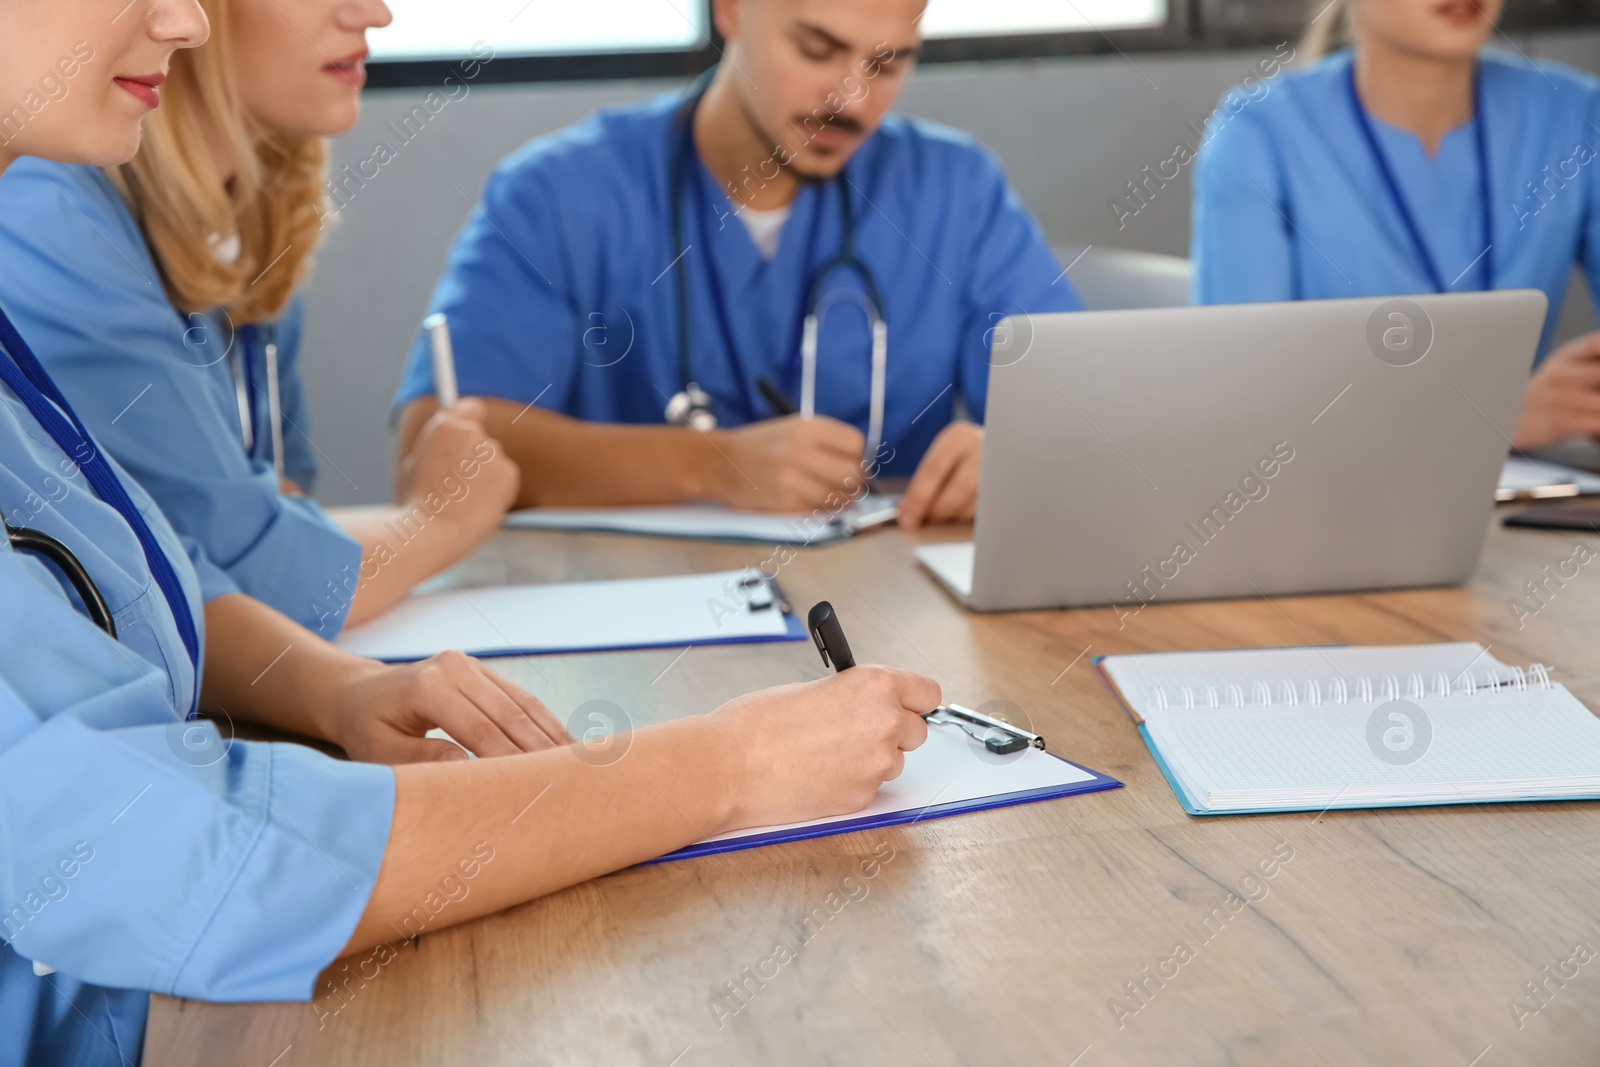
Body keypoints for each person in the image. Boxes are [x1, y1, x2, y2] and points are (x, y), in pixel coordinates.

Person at [0, 6, 936, 1062]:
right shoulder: (53, 218)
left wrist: (340, 690)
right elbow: (191, 861)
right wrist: (727, 762)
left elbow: (146, 583)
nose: (185, 16)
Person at [393, 0, 1079, 530]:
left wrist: (1016, 456)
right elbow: (438, 448)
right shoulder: (558, 193)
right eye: (817, 48)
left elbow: (1085, 412)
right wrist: (713, 465)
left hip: (890, 622)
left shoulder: (955, 189)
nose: (853, 99)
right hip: (627, 612)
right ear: (729, 10)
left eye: (889, 63)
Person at [0, 0, 516, 636]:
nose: (375, 15)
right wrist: (439, 519)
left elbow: (280, 500)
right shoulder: (49, 216)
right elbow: (248, 581)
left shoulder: (244, 221)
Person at [1190, 0, 1600, 450]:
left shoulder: (1577, 115)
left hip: (1520, 496)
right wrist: (1495, 422)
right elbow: (1240, 420)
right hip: (1333, 498)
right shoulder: (1257, 135)